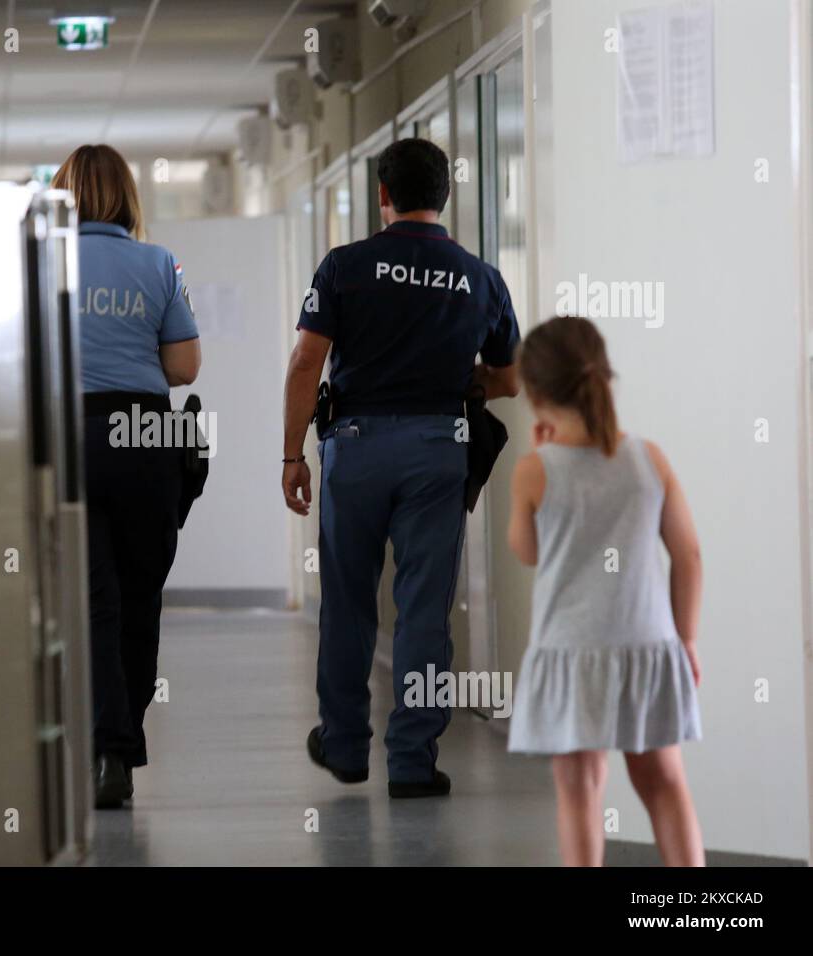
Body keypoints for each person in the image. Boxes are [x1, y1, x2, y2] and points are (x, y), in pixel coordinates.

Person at [281, 137, 520, 797]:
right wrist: (457, 381)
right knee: (423, 611)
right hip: (439, 452)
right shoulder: (479, 276)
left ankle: (346, 745)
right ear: (443, 196)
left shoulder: (345, 266)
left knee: (349, 603)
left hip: (354, 447)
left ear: (383, 196)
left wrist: (290, 453)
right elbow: (508, 377)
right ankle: (413, 762)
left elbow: (306, 362)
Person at [506, 315, 704, 866]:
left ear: (537, 394)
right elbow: (688, 555)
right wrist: (686, 638)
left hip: (572, 651)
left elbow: (528, 551)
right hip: (648, 643)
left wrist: (535, 452)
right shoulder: (649, 458)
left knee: (580, 792)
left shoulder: (534, 470)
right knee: (664, 782)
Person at [51, 144, 201, 810]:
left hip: (69, 436)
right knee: (142, 596)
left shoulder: (40, 262)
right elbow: (185, 369)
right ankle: (123, 739)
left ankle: (106, 747)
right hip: (146, 436)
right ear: (129, 197)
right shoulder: (158, 264)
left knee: (93, 599)